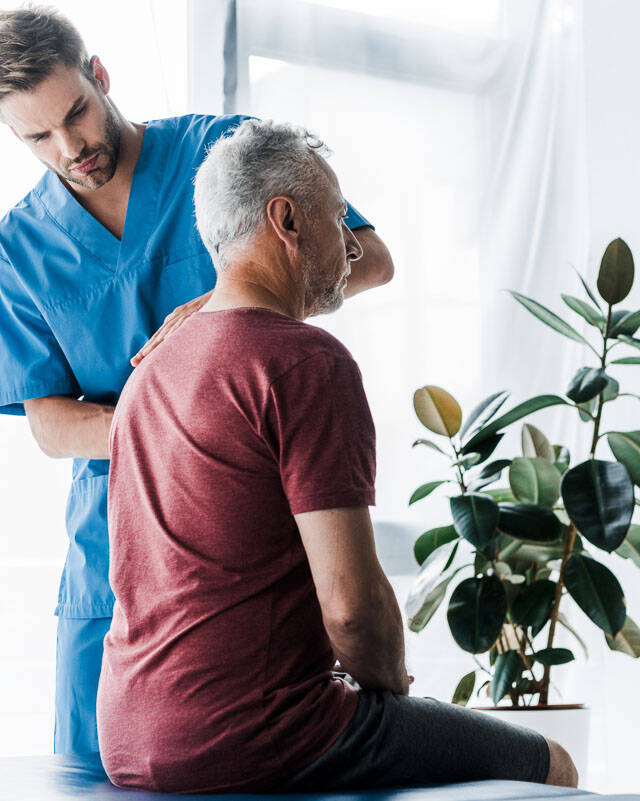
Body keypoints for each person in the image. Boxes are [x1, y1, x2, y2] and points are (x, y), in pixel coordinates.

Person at [97, 119, 578, 794]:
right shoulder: (305, 361)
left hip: (127, 734)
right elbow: (353, 609)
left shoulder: (150, 370)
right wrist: (392, 689)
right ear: (286, 219)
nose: (351, 245)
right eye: (338, 217)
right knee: (550, 763)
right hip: (253, 735)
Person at [0, 6, 393, 756]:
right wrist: (174, 418)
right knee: (89, 774)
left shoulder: (221, 153)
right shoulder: (19, 247)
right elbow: (49, 421)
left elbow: (368, 256)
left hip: (243, 545)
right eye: (36, 137)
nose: (70, 146)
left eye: (76, 113)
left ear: (100, 76)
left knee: (262, 761)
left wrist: (218, 308)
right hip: (108, 563)